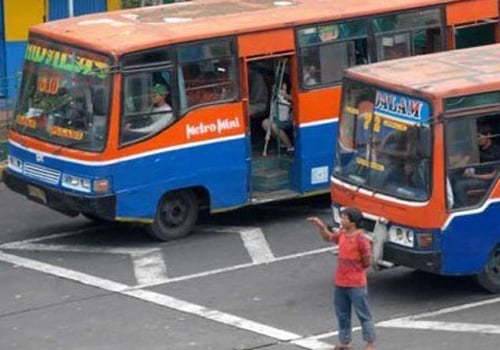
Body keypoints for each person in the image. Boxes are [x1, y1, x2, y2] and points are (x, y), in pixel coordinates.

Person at [306, 208, 376, 350]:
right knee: (342, 315)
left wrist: (357, 268)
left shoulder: (361, 238)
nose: (342, 220)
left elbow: (367, 260)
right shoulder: (343, 234)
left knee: (363, 314)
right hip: (341, 283)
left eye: (344, 218)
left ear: (353, 221)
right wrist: (321, 226)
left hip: (356, 284)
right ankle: (345, 343)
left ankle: (370, 343)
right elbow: (329, 237)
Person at [453, 125, 500, 207]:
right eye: (476, 137)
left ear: (488, 135)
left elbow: (494, 176)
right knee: (453, 177)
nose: (477, 139)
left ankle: (463, 207)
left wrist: (474, 176)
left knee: (459, 186)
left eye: (479, 136)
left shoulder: (496, 151)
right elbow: (467, 161)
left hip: (490, 182)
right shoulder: (478, 149)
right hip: (474, 176)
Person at [261, 82, 294, 152]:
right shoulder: (276, 98)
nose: (282, 91)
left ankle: (289, 146)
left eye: (284, 89)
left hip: (288, 119)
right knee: (265, 123)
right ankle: (282, 143)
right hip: (277, 118)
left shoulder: (290, 94)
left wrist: (286, 96)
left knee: (274, 126)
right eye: (281, 89)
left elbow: (295, 101)